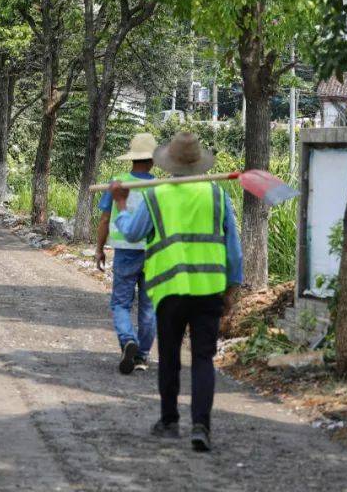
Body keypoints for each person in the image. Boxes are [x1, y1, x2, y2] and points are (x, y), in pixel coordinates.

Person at [110, 132, 242, 453]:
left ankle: (169, 421)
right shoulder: (216, 195)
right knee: (202, 359)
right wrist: (232, 288)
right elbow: (233, 250)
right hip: (209, 290)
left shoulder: (157, 196)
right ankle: (201, 426)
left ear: (168, 164)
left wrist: (122, 203)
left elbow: (130, 232)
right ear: (199, 164)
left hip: (169, 292)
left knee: (169, 357)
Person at [95, 133, 158, 375]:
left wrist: (99, 249)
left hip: (124, 253)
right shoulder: (159, 187)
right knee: (148, 306)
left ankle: (127, 340)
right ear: (152, 161)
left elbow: (104, 219)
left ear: (131, 159)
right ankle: (141, 356)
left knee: (121, 303)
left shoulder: (117, 183)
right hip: (152, 253)